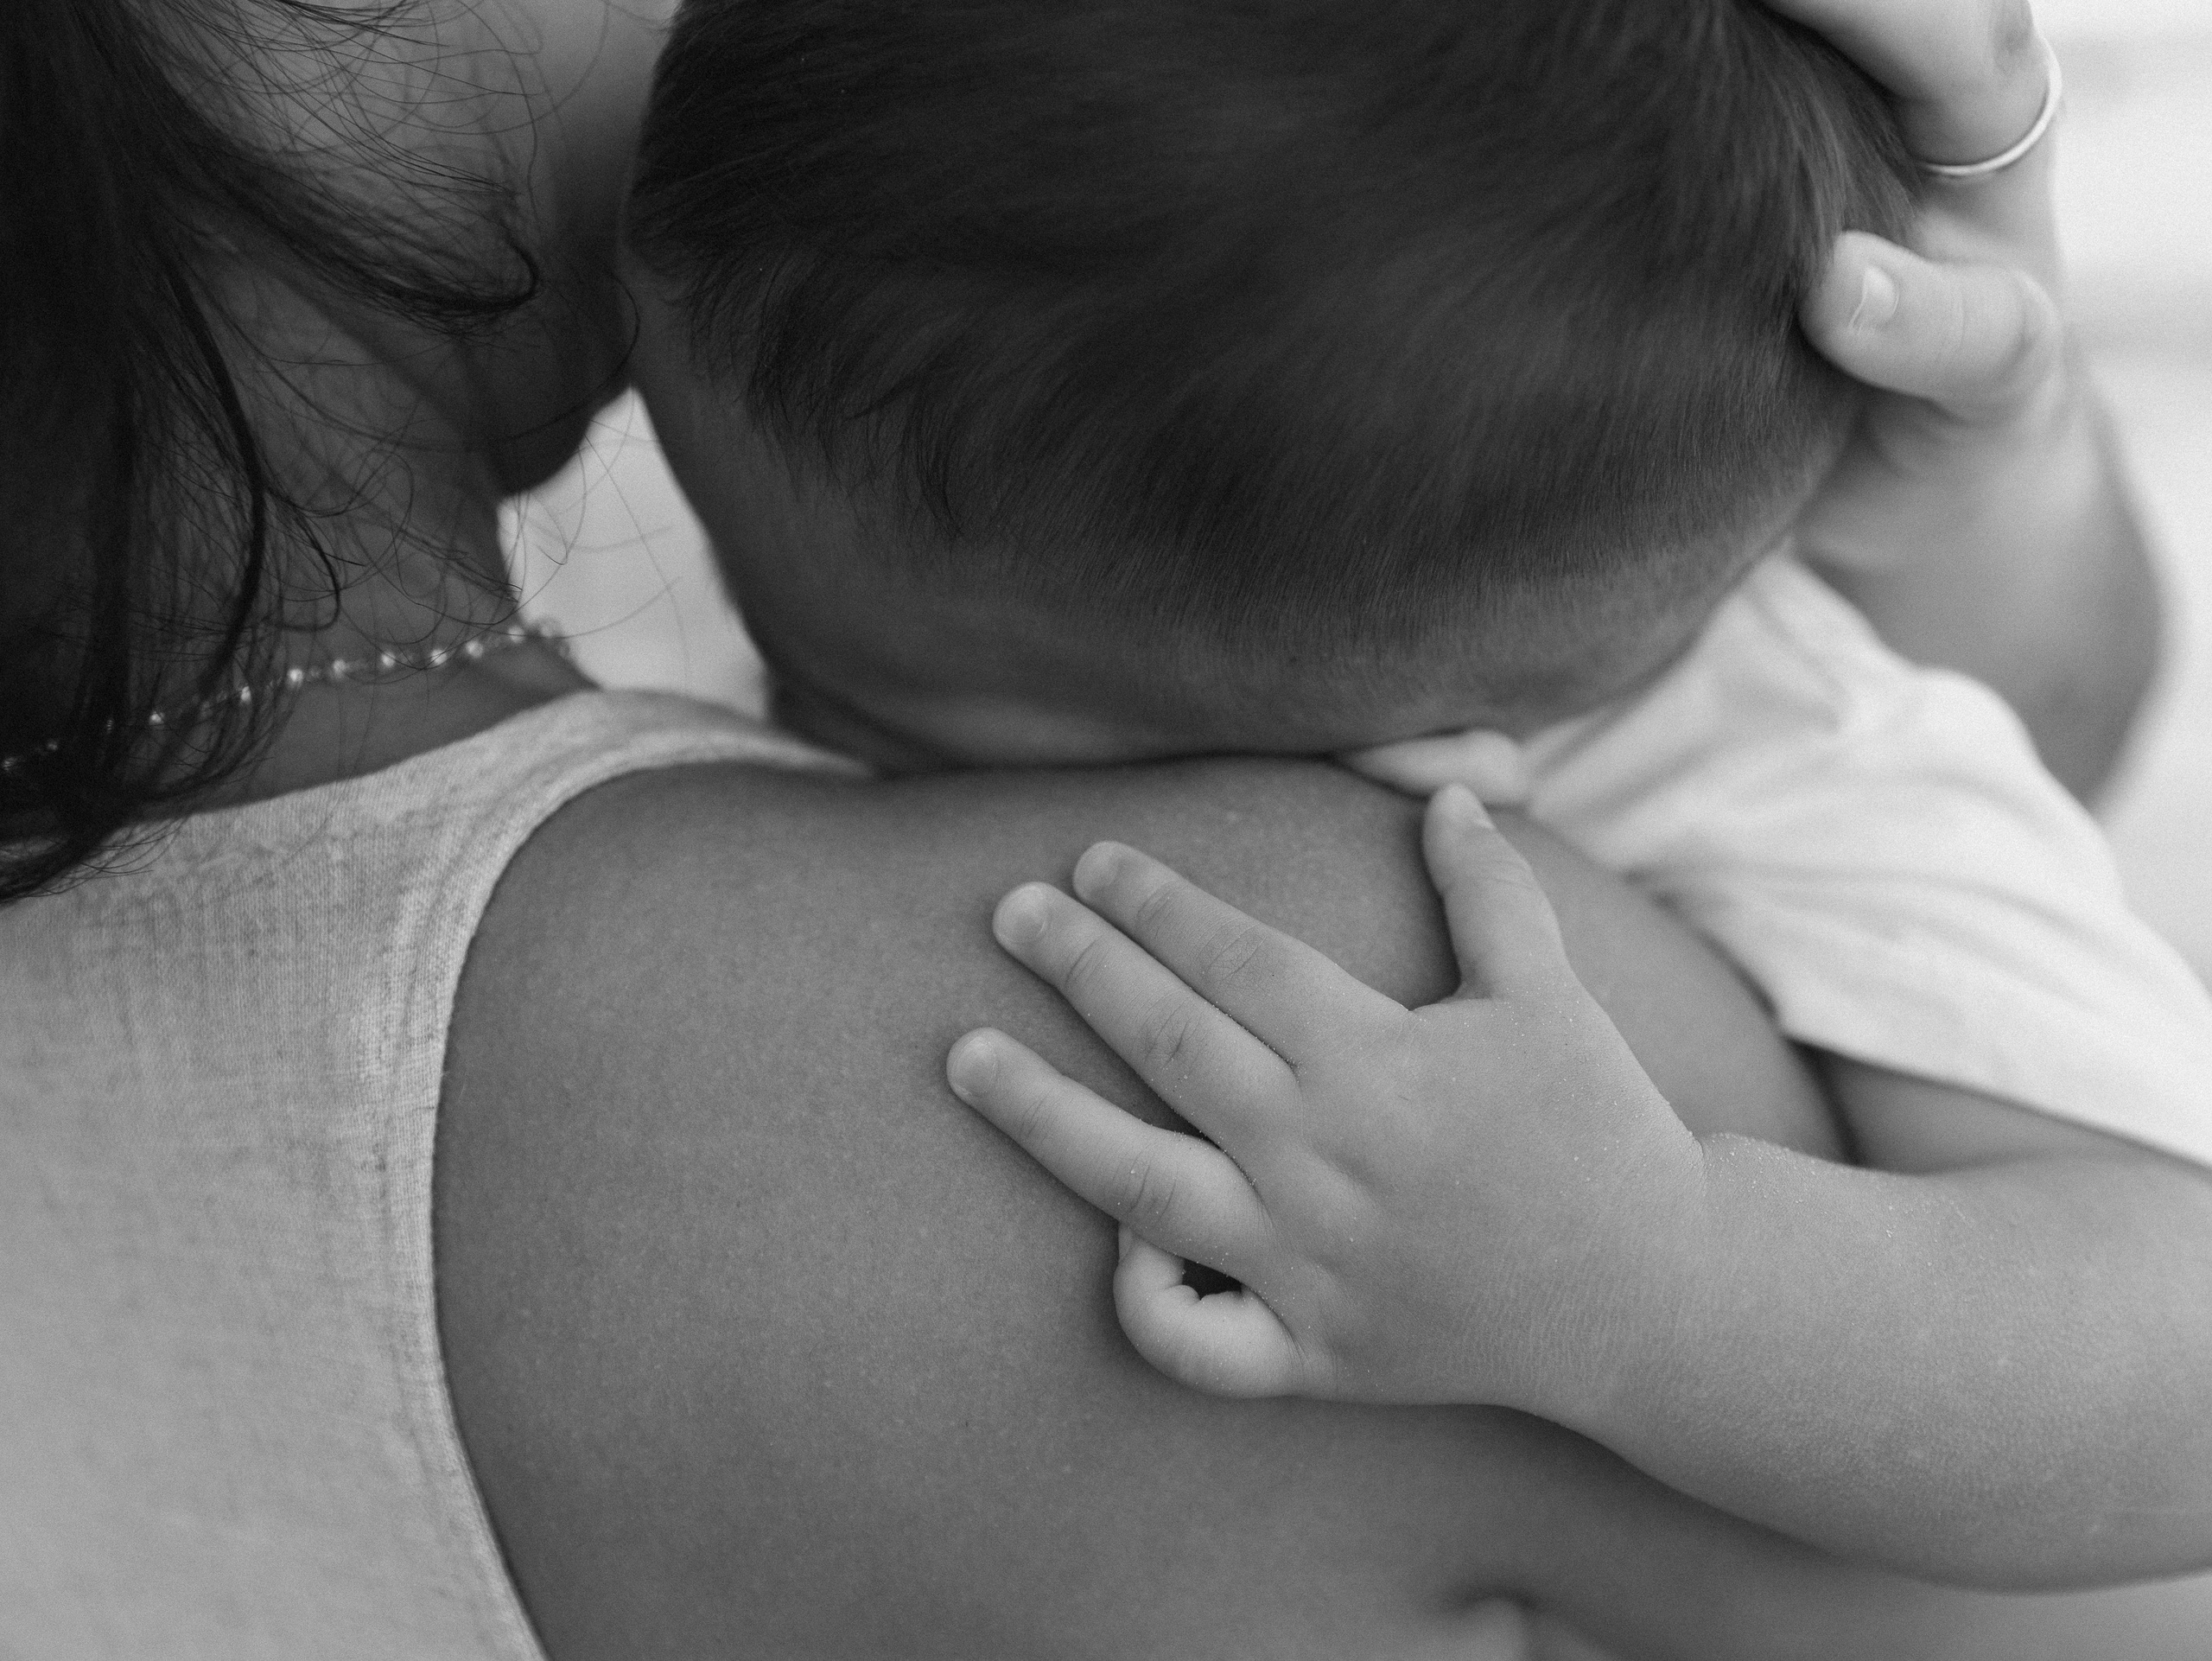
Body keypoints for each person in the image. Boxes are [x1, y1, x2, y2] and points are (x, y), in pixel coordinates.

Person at [1, 3, 2203, 1660]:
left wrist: (1654, 1282)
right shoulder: (1288, 902)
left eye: (897, 702)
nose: (808, 723)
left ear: (1442, 737)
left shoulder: (1681, 872)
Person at [622, 0, 2212, 1588]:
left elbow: (2177, 1362)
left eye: (859, 689)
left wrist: (1642, 1280)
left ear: (1428, 747)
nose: (776, 705)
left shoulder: (1818, 781)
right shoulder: (1113, 522)